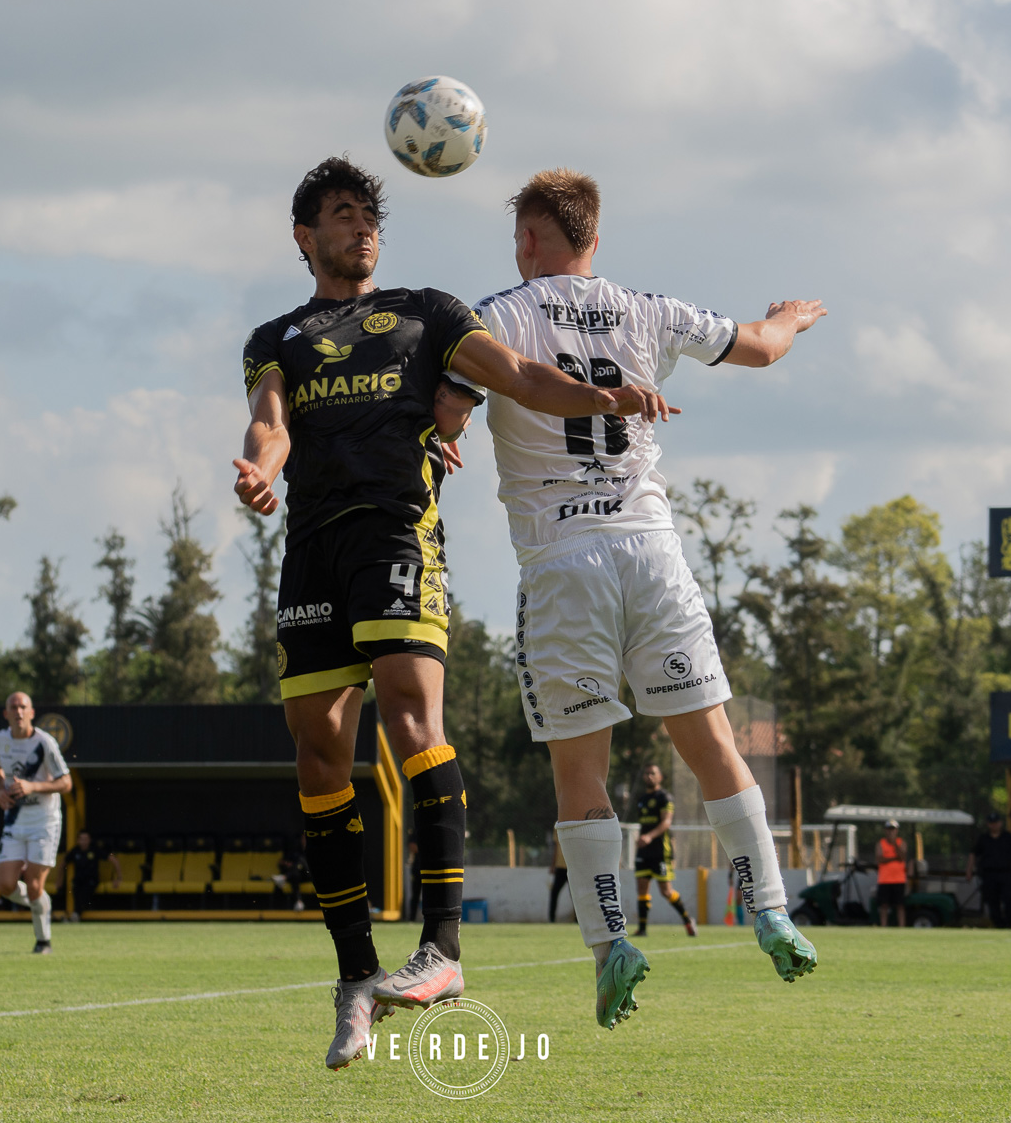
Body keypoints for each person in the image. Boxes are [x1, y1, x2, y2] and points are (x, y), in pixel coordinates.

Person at [232, 158, 666, 1069]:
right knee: (317, 755)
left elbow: (515, 373)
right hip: (313, 548)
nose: (362, 229)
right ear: (305, 237)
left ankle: (444, 951)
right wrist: (260, 471)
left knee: (408, 714)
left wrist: (600, 395)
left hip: (397, 535)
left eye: (369, 216)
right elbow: (271, 419)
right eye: (343, 216)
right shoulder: (277, 335)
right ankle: (355, 979)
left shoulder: (428, 312)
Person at [437, 168, 820, 1031]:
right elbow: (759, 345)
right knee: (714, 747)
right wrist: (792, 320)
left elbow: (447, 411)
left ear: (529, 241)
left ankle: (613, 948)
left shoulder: (494, 315)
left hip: (565, 563)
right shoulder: (651, 308)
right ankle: (770, 911)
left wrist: (443, 432)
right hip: (651, 553)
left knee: (582, 775)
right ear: (594, 239)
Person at [0, 691, 73, 954]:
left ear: (32, 712)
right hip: (14, 820)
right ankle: (41, 903)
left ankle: (43, 940)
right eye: (13, 707)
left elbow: (66, 783)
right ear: (6, 714)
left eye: (23, 706)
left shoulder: (45, 743)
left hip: (44, 822)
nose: (18, 711)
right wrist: (0, 791)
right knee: (4, 885)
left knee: (35, 884)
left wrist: (32, 786)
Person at [631, 764, 697, 938]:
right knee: (642, 889)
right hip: (644, 851)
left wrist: (649, 837)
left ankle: (688, 920)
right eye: (646, 773)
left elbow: (666, 822)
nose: (649, 776)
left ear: (660, 777)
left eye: (652, 773)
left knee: (666, 891)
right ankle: (642, 929)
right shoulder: (642, 799)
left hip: (660, 851)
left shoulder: (664, 797)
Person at [966, 812, 1011, 929]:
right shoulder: (983, 839)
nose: (994, 826)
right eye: (991, 823)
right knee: (992, 901)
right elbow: (973, 854)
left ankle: (1009, 922)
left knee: (1010, 898)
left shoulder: (1009, 837)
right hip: (989, 874)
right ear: (988, 824)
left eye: (996, 823)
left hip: (1006, 874)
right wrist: (969, 870)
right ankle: (998, 924)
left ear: (1000, 823)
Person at [60, 831, 118, 919]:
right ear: (78, 840)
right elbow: (63, 863)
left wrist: (118, 878)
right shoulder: (75, 850)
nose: (84, 842)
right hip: (78, 880)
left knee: (85, 892)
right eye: (81, 839)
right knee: (74, 888)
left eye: (86, 839)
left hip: (92, 880)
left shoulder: (94, 849)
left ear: (89, 840)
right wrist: (59, 880)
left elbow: (113, 859)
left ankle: (75, 914)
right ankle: (73, 914)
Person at [874, 820, 908, 927]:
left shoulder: (901, 843)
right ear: (885, 830)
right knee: (884, 905)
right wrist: (894, 858)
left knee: (900, 905)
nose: (891, 832)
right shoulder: (881, 844)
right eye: (889, 829)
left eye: (893, 829)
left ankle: (901, 927)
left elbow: (902, 857)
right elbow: (880, 859)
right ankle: (884, 926)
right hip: (884, 880)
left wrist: (894, 845)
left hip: (899, 879)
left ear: (897, 831)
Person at [548, 831, 570, 923]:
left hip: (572, 866)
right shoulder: (557, 826)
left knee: (576, 895)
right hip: (560, 866)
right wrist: (553, 865)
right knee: (554, 892)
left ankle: (578, 919)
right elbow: (556, 847)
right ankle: (551, 918)